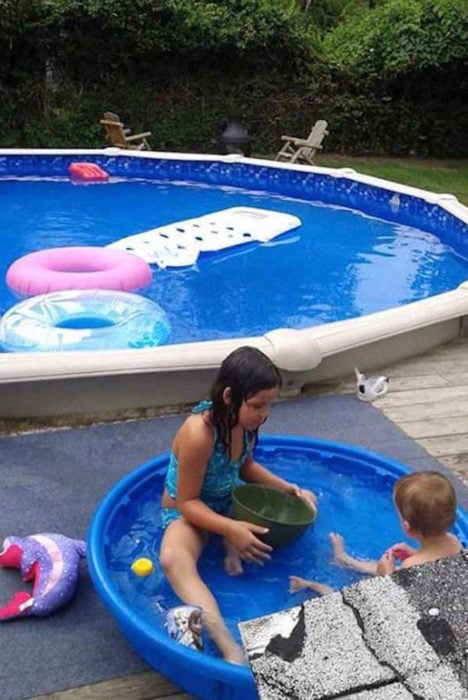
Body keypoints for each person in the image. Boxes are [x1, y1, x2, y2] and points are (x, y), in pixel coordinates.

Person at [159, 345, 316, 664]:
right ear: (229, 396)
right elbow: (187, 502)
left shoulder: (243, 424)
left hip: (227, 503)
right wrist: (231, 527)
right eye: (258, 405)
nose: (264, 414)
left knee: (305, 505)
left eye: (269, 405)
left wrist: (287, 488)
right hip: (189, 513)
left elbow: (243, 467)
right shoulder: (199, 433)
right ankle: (229, 646)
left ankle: (232, 547)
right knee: (172, 559)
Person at [289, 470, 462, 597]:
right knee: (380, 567)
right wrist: (415, 554)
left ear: (407, 527)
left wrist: (387, 576)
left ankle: (313, 585)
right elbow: (437, 571)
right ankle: (344, 559)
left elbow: (400, 602)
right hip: (438, 598)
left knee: (346, 600)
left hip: (415, 618)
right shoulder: (454, 542)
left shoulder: (411, 566)